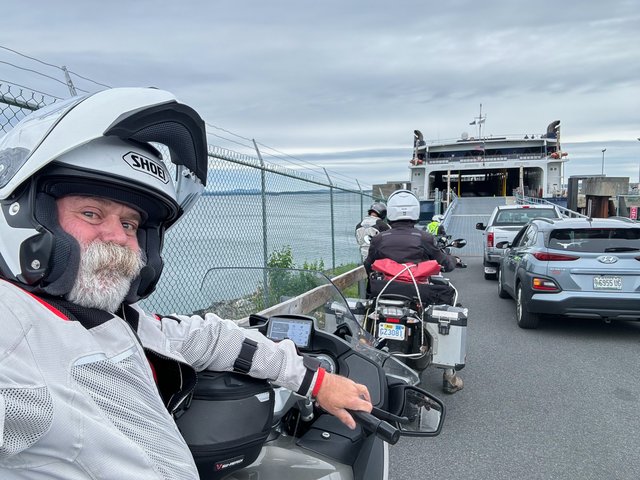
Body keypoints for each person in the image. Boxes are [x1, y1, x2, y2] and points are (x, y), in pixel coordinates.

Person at [0, 88, 372, 478]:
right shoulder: (15, 330)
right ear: (30, 216)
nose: (117, 236)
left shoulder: (115, 321)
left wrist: (316, 380)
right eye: (92, 213)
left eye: (129, 224)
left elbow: (209, 338)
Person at [363, 189, 463, 394]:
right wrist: (452, 262)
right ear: (415, 212)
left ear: (390, 212)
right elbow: (445, 262)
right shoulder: (424, 237)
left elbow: (369, 264)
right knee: (450, 300)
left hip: (385, 292)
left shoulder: (379, 239)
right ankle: (449, 374)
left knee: (368, 314)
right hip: (418, 293)